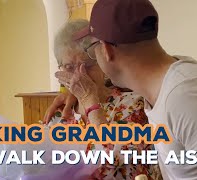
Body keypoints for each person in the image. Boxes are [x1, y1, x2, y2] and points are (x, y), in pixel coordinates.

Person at [53, 0, 197, 179]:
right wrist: (77, 94)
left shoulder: (186, 96)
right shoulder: (168, 87)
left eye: (90, 54)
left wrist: (90, 99)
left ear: (106, 50)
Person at [45, 19, 161, 180]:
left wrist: (90, 100)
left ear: (103, 63)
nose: (80, 75)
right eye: (69, 67)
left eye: (87, 65)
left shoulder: (133, 106)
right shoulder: (59, 115)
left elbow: (119, 169)